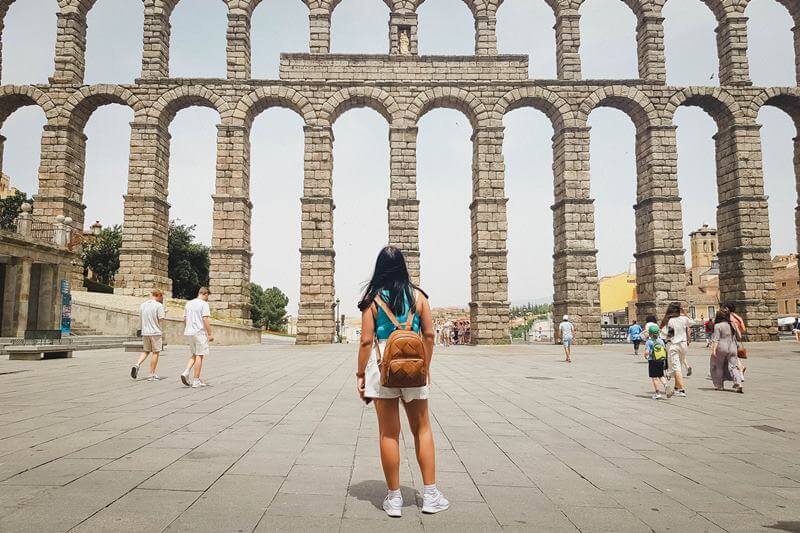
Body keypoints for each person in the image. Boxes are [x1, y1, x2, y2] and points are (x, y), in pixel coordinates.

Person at [355, 246, 449, 517]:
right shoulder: (419, 296)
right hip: (414, 367)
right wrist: (425, 367)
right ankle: (431, 495)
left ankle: (394, 498)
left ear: (379, 268)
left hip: (383, 366)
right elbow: (429, 335)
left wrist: (361, 374)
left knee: (388, 432)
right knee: (422, 429)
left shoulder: (371, 299)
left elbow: (365, 341)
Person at [180, 287, 214, 388]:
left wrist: (187, 328)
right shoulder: (204, 304)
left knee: (194, 354)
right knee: (200, 355)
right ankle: (196, 380)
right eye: (208, 296)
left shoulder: (188, 303)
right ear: (205, 294)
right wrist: (210, 334)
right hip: (199, 332)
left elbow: (185, 318)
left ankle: (186, 372)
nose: (208, 298)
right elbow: (205, 319)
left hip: (189, 331)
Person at [131, 289, 166, 381]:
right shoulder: (159, 306)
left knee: (146, 351)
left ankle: (137, 364)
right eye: (162, 296)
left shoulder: (143, 305)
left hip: (145, 331)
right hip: (155, 332)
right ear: (158, 295)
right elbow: (161, 320)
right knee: (156, 352)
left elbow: (141, 318)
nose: (162, 298)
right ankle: (151, 374)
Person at [710, 309, 744, 393]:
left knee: (719, 367)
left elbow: (716, 339)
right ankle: (738, 383)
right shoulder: (733, 324)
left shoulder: (718, 326)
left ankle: (720, 386)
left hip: (722, 347)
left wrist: (713, 350)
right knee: (733, 366)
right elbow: (739, 335)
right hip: (733, 347)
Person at [661, 302, 691, 397]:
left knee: (676, 368)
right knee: (678, 366)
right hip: (684, 345)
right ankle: (676, 388)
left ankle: (681, 390)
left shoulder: (669, 320)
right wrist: (684, 312)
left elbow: (664, 334)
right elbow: (692, 322)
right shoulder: (684, 319)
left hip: (673, 345)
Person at [644, 325, 668, 399]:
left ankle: (657, 393)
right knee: (661, 375)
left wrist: (645, 356)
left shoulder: (649, 342)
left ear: (650, 334)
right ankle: (666, 385)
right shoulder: (661, 341)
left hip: (653, 361)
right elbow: (664, 350)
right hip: (660, 360)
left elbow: (647, 352)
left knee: (654, 378)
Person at [723, 303, 747, 378]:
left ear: (728, 309)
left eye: (725, 308)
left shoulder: (729, 317)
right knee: (735, 357)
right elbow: (743, 329)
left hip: (728, 340)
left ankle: (737, 371)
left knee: (727, 357)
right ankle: (740, 369)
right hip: (735, 339)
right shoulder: (738, 317)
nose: (724, 310)